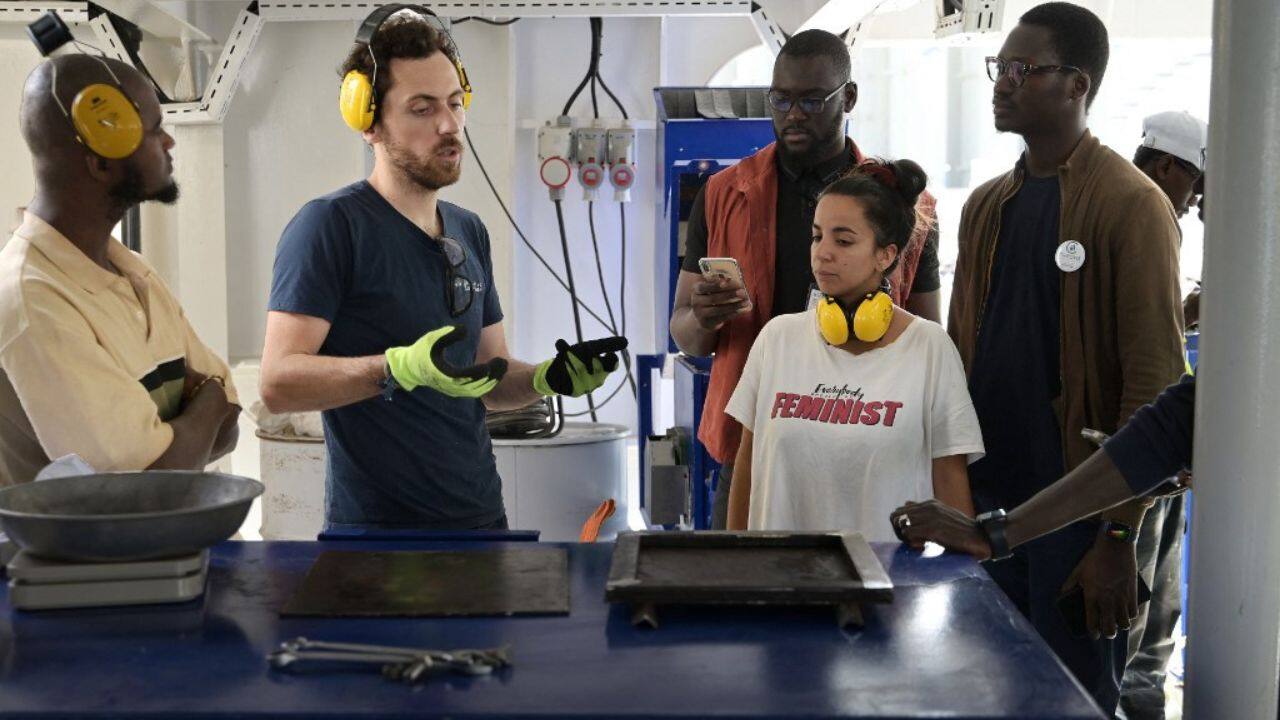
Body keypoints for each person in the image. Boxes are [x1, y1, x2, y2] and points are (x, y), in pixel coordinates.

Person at [258, 8, 625, 530]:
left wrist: (547, 377)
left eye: (455, 103)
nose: (449, 125)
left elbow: (491, 379)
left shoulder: (468, 230)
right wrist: (395, 370)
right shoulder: (331, 226)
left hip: (479, 520)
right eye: (422, 108)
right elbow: (278, 383)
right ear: (370, 122)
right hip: (376, 535)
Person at [946, 3, 1186, 712]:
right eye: (1001, 68)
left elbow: (1156, 383)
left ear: (1077, 84)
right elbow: (964, 354)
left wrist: (1119, 536)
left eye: (1024, 70)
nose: (1003, 83)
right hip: (987, 510)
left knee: (1072, 703)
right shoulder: (987, 206)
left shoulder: (1132, 204)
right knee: (981, 695)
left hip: (1080, 522)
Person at [669, 29, 943, 529]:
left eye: (813, 100)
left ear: (850, 97)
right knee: (748, 596)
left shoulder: (908, 209)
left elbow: (928, 339)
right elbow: (685, 334)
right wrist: (704, 318)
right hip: (754, 442)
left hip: (868, 448)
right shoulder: (722, 193)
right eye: (782, 99)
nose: (793, 114)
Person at [0, 54, 240, 485]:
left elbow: (230, 429)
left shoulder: (133, 273)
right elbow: (142, 487)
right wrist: (208, 399)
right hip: (74, 554)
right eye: (153, 130)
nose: (168, 142)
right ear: (102, 162)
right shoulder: (32, 298)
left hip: (161, 550)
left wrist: (192, 427)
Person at [724, 160, 983, 539]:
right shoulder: (777, 339)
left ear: (885, 255)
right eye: (817, 236)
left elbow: (950, 483)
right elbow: (746, 472)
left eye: (843, 240)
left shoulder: (929, 348)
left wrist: (963, 580)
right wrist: (736, 564)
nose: (822, 253)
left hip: (888, 587)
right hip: (779, 582)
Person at [1120, 109, 1207, 720]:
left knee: (1160, 595)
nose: (1196, 202)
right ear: (1169, 166)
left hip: (1161, 437)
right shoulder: (1144, 215)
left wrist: (1190, 311)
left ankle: (1141, 694)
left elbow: (1155, 324)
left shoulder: (1143, 216)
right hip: (1143, 440)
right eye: (1195, 186)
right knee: (1140, 594)